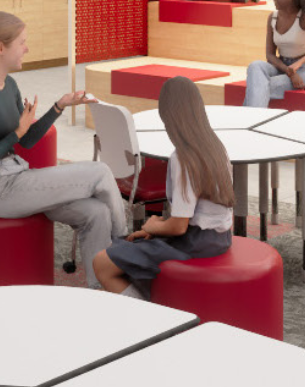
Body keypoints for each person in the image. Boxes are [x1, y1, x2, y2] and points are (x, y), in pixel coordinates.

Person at [0, 10, 125, 287]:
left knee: (97, 213)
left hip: (16, 177)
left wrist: (59, 106)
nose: (27, 48)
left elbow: (27, 141)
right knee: (100, 172)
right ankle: (126, 246)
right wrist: (16, 132)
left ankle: (102, 290)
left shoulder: (8, 85)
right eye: (21, 42)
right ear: (1, 47)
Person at [92, 77, 234, 299]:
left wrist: (153, 226)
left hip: (195, 242)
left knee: (101, 262)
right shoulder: (216, 146)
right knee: (129, 242)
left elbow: (178, 226)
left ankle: (149, 315)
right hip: (219, 239)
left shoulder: (184, 158)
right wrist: (153, 230)